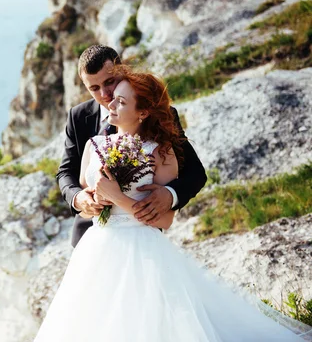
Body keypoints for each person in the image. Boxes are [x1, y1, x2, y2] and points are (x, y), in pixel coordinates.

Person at [35, 68, 311, 341]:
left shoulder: (161, 150)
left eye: (113, 89)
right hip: (95, 245)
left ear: (142, 111)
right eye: (95, 88)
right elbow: (72, 178)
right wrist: (87, 200)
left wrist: (139, 196)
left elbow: (170, 212)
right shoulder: (91, 140)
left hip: (142, 249)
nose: (106, 98)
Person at [57, 44, 207, 247]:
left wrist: (170, 195)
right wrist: (78, 198)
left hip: (140, 239)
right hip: (89, 237)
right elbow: (65, 172)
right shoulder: (78, 117)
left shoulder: (160, 113)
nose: (105, 94)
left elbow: (195, 172)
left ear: (122, 70)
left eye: (109, 81)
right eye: (94, 88)